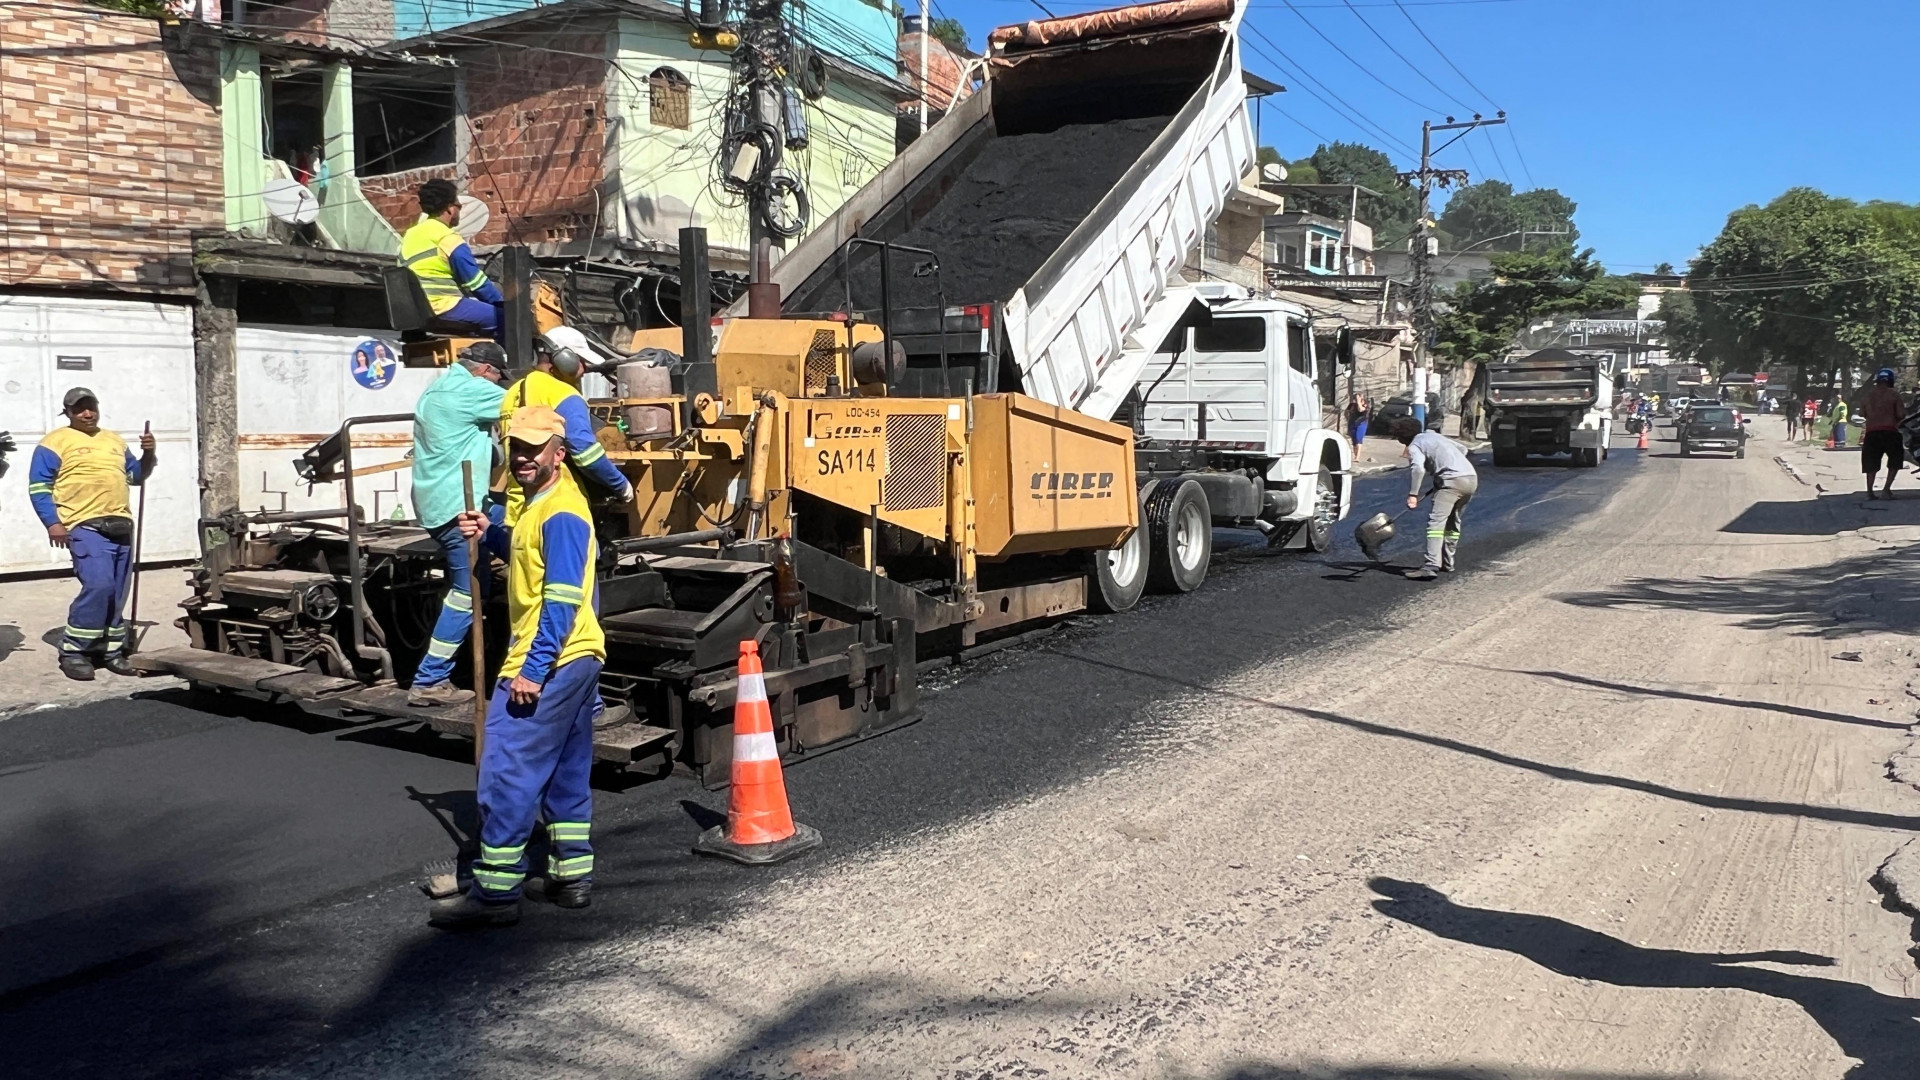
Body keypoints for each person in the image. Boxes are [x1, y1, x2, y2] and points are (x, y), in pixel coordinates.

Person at [430, 406, 605, 930]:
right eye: (517, 448)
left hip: (550, 660)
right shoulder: (539, 505)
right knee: (565, 770)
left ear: (560, 452)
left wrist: (533, 669)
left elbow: (561, 598)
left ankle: (496, 893)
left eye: (535, 448)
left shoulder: (563, 512)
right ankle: (572, 876)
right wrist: (493, 532)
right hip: (576, 659)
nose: (524, 457)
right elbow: (532, 557)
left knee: (506, 771)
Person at [29, 388, 156, 681]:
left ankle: (111, 652)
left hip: (121, 524)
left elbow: (136, 476)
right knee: (98, 586)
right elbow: (38, 487)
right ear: (68, 412)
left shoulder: (113, 440)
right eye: (79, 409)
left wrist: (149, 453)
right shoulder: (54, 443)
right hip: (84, 525)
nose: (87, 413)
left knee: (117, 592)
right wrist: (52, 523)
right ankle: (73, 652)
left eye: (91, 407)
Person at [407, 342, 509, 706]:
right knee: (468, 592)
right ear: (485, 371)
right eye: (498, 377)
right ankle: (430, 679)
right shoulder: (473, 390)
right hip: (459, 507)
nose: (498, 384)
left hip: (444, 500)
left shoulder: (438, 387)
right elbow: (525, 407)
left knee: (513, 529)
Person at [498, 325, 633, 528]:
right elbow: (586, 454)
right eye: (581, 360)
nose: (586, 367)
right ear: (564, 358)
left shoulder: (513, 392)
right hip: (558, 506)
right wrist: (621, 485)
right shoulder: (563, 394)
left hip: (519, 508)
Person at [399, 179, 503, 338]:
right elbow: (476, 283)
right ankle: (507, 361)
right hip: (445, 306)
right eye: (458, 205)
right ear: (450, 208)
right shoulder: (447, 238)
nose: (459, 210)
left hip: (418, 312)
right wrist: (503, 304)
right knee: (509, 320)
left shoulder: (409, 235)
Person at [1392, 417, 1477, 582]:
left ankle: (1431, 565)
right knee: (1454, 522)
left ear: (1403, 436)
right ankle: (1448, 562)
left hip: (1451, 482)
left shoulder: (1415, 445)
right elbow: (1463, 449)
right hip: (1471, 479)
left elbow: (1417, 468)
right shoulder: (1435, 436)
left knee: (1436, 523)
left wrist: (1413, 494)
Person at [1861, 368, 1905, 500]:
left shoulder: (1867, 396)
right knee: (1895, 461)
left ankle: (1869, 492)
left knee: (1871, 463)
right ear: (1890, 380)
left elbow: (1862, 414)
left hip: (1872, 432)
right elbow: (1901, 414)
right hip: (1890, 431)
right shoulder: (1894, 395)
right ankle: (1886, 490)